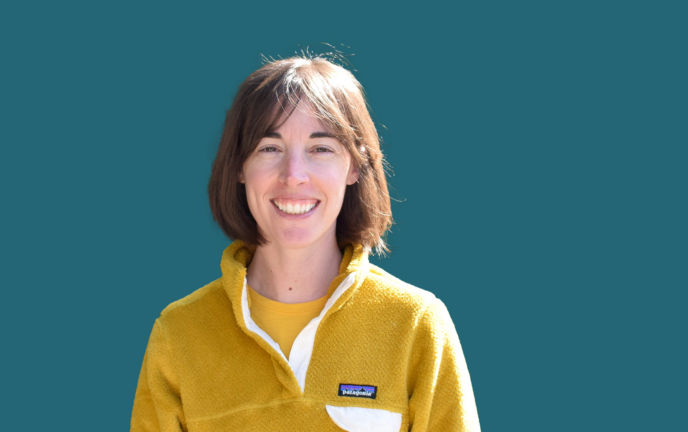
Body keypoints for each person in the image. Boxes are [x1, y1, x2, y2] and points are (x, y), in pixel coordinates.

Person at [131, 54, 480, 431]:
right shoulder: (179, 333)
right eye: (269, 148)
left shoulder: (416, 325)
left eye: (320, 148)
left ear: (355, 166)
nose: (293, 175)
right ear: (237, 167)